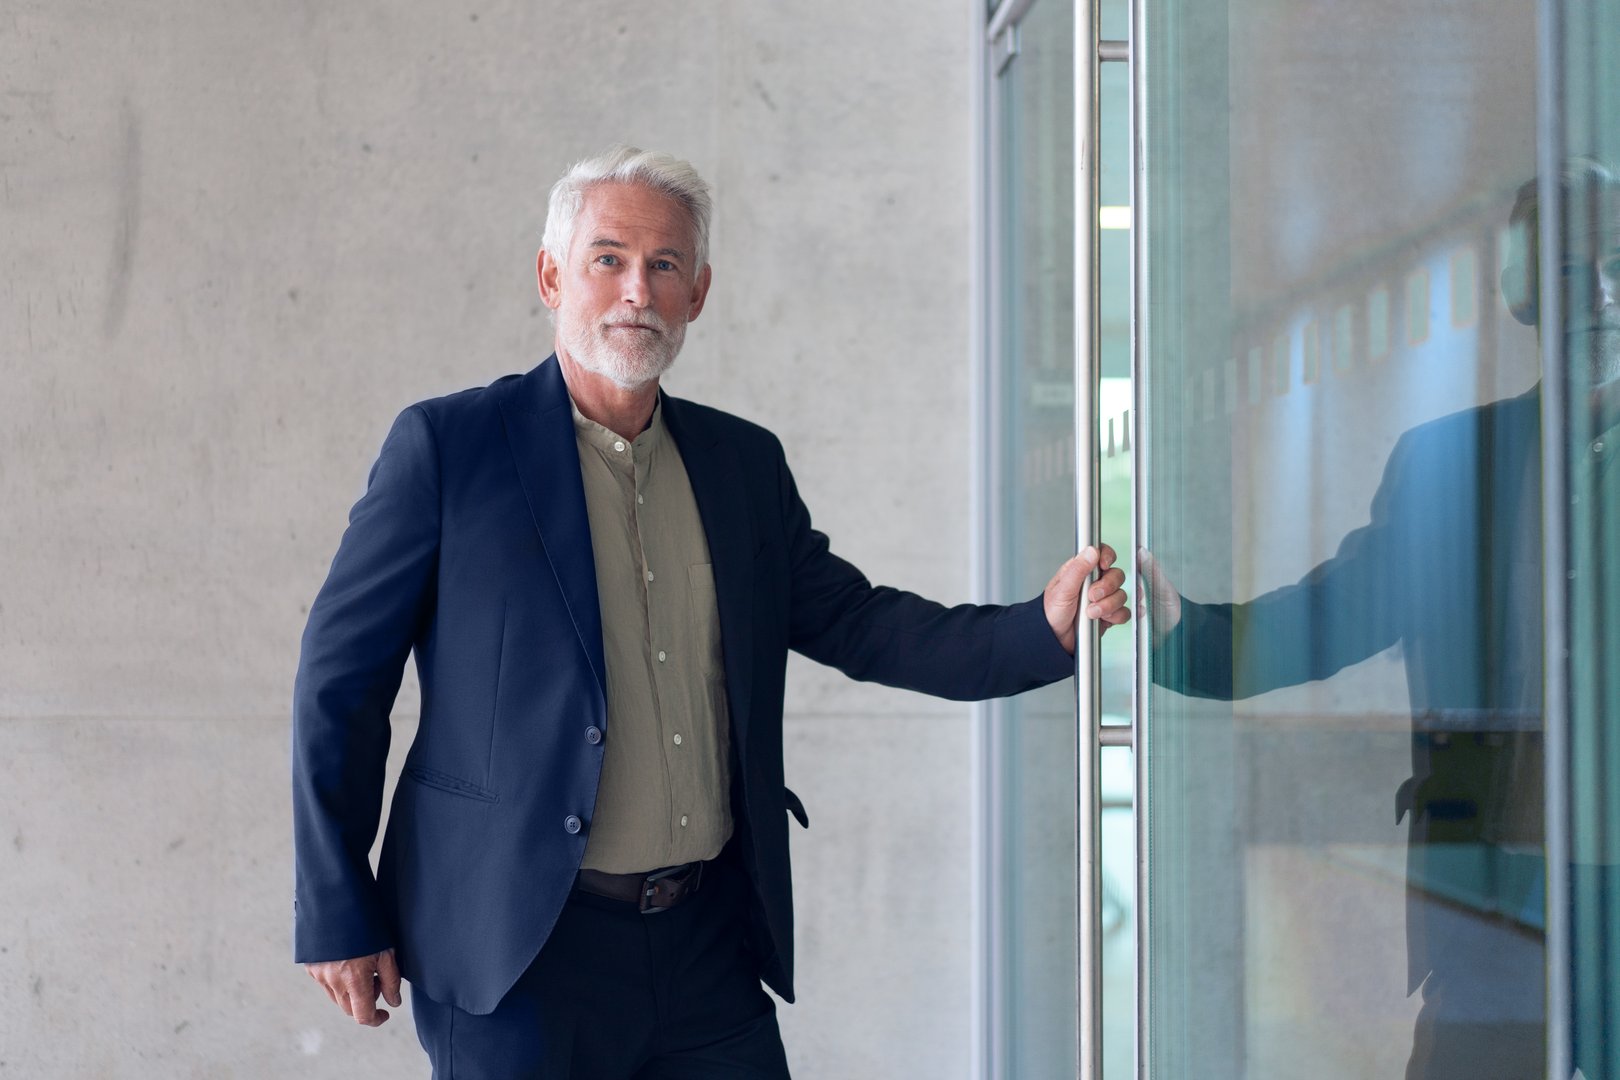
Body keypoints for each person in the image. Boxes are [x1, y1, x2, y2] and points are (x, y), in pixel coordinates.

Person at [291, 145, 1131, 1078]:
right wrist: (338, 908)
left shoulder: (742, 466)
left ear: (699, 292)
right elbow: (342, 683)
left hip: (706, 948)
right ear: (550, 276)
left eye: (665, 265)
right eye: (608, 258)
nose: (636, 291)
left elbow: (856, 621)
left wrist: (1039, 627)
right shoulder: (448, 450)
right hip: (516, 952)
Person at [1141, 159, 1620, 1080]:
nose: (1598, 289)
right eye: (1570, 266)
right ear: (1528, 293)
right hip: (1494, 909)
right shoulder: (1450, 462)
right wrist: (1183, 635)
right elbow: (1337, 613)